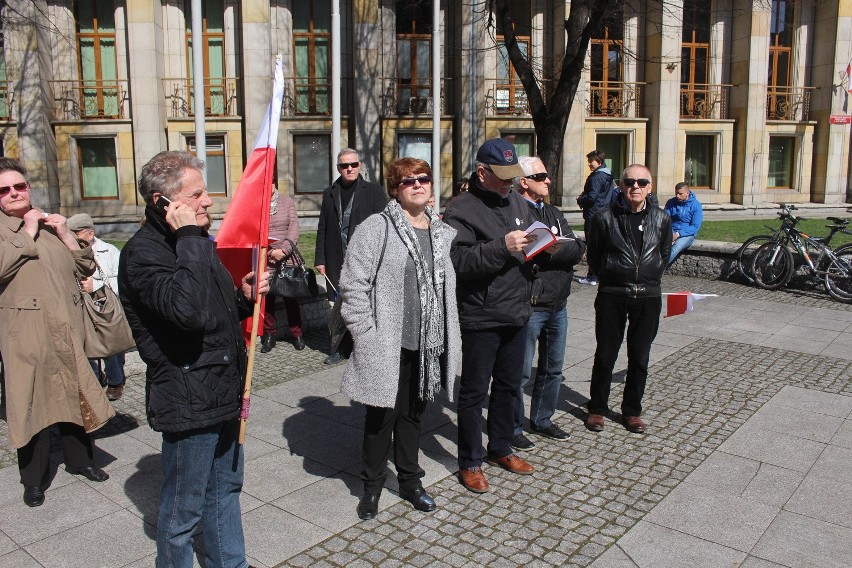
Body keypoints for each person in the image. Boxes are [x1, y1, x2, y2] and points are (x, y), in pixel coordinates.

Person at [118, 151, 269, 568]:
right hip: (187, 398)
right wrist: (187, 238)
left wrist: (242, 298)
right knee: (184, 509)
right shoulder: (145, 252)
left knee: (225, 491)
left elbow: (209, 312)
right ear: (162, 203)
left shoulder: (196, 244)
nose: (209, 201)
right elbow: (186, 314)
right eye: (197, 194)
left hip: (222, 390)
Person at [339, 157, 461, 520]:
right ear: (396, 189)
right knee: (381, 420)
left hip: (428, 343)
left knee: (413, 416)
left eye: (424, 179)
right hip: (388, 343)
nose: (418, 185)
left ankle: (410, 481)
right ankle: (372, 486)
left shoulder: (441, 232)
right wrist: (366, 335)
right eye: (409, 181)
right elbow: (352, 285)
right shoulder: (376, 228)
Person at [0, 158, 114, 508]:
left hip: (66, 325)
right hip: (25, 334)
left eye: (20, 186)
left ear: (29, 188)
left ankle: (81, 461)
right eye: (4, 190)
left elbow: (85, 265)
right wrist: (28, 232)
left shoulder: (50, 223)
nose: (14, 194)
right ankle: (33, 480)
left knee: (74, 393)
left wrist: (65, 234)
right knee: (30, 403)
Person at [443, 138, 535, 494]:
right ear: (482, 172)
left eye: (514, 174)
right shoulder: (461, 210)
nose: (509, 182)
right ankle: (470, 461)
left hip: (517, 309)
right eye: (501, 175)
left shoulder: (516, 201)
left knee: (510, 387)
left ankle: (500, 448)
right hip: (481, 314)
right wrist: (502, 247)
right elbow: (457, 262)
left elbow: (527, 242)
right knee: (474, 393)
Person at [584, 164, 672, 435]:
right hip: (613, 295)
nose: (636, 187)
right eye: (630, 181)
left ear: (650, 186)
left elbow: (664, 253)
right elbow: (595, 256)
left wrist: (650, 273)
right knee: (606, 353)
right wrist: (612, 275)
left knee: (640, 356)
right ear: (620, 185)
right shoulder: (603, 218)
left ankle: (632, 411)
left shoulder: (661, 219)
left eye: (642, 182)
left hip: (647, 296)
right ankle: (597, 408)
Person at [509, 157, 586, 451]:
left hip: (558, 303)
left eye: (547, 176)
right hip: (530, 304)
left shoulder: (552, 211)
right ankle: (513, 427)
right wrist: (554, 248)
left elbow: (577, 248)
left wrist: (552, 248)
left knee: (553, 368)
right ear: (523, 181)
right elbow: (530, 252)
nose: (548, 181)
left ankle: (542, 420)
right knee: (520, 372)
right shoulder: (515, 212)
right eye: (541, 176)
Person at [315, 148, 386, 364]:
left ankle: (365, 348)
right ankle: (340, 348)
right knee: (341, 306)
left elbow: (384, 226)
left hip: (366, 259)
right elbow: (323, 228)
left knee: (364, 304)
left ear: (359, 166)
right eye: (345, 166)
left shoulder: (374, 192)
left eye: (353, 164)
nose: (350, 169)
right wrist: (320, 259)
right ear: (339, 168)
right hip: (337, 258)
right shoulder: (330, 192)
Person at [67, 213, 128, 400]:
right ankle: (93, 380)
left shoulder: (109, 251)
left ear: (89, 233)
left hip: (105, 309)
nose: (71, 238)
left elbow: (124, 282)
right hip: (80, 308)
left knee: (111, 347)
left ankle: (115, 381)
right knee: (84, 347)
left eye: (75, 233)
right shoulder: (67, 252)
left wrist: (97, 285)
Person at [263, 185, 305, 353]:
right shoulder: (258, 203)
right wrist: (270, 252)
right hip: (267, 256)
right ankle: (269, 334)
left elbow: (294, 228)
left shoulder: (287, 202)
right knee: (268, 298)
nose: (269, 186)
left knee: (291, 297)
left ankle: (297, 333)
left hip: (288, 256)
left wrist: (283, 250)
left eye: (271, 182)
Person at [664, 181, 703, 266]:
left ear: (687, 193)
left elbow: (695, 227)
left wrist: (678, 234)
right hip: (671, 230)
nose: (677, 196)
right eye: (676, 193)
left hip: (687, 234)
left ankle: (657, 269)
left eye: (680, 193)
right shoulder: (671, 202)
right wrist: (671, 233)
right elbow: (665, 220)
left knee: (676, 247)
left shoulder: (696, 206)